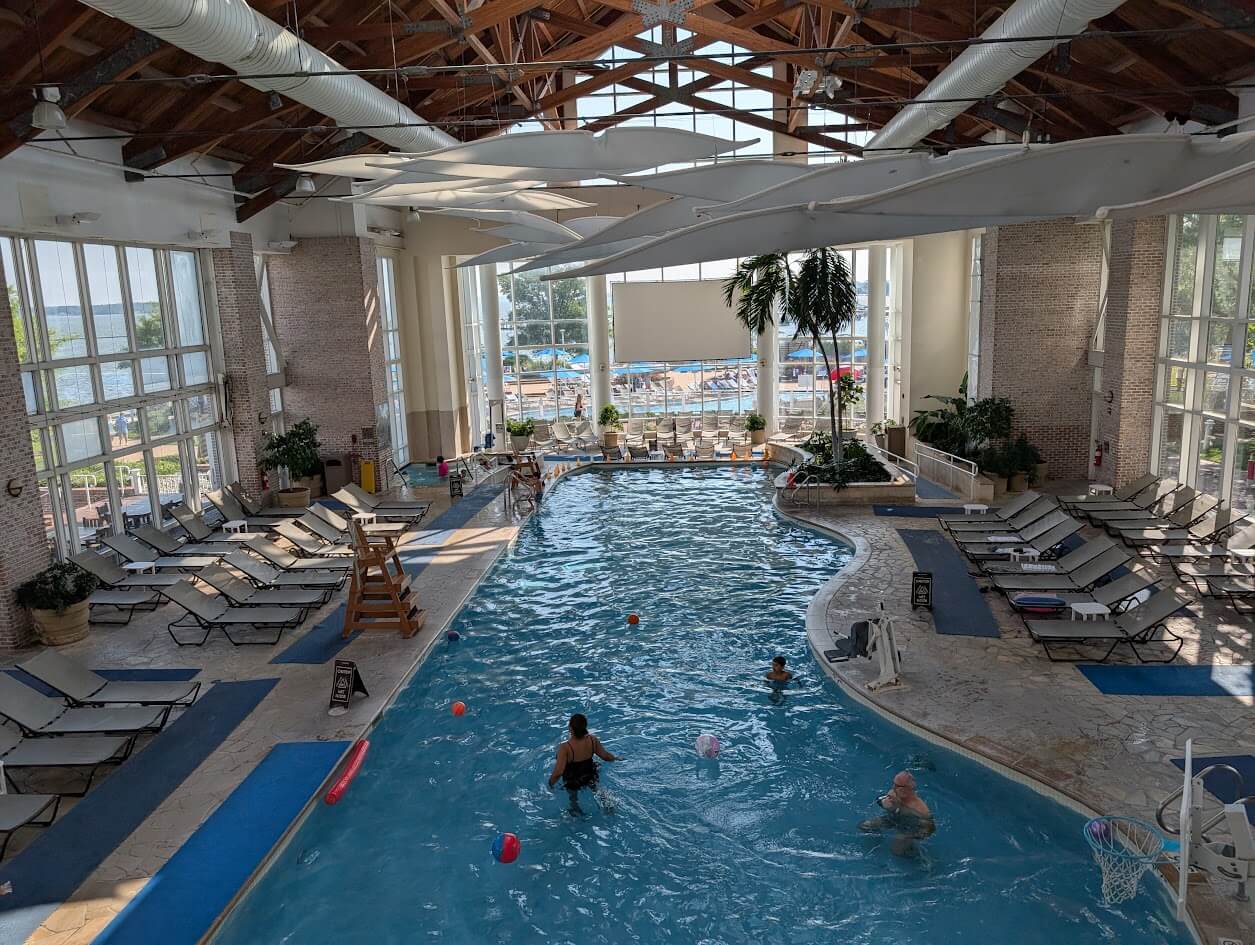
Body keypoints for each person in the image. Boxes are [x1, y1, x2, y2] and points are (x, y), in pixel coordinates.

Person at [548, 714, 618, 812]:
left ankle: (575, 809)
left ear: (570, 728)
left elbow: (559, 771)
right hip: (589, 772)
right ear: (585, 727)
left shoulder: (565, 747)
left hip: (573, 778)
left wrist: (550, 784)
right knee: (596, 788)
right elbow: (605, 756)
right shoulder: (592, 740)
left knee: (573, 797)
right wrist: (616, 758)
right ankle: (608, 805)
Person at [859, 771, 935, 856]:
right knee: (865, 826)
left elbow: (930, 828)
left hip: (908, 827)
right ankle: (877, 841)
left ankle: (918, 857)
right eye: (894, 784)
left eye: (897, 786)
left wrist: (915, 835)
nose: (893, 787)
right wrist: (884, 803)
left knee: (896, 851)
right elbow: (879, 799)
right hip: (893, 819)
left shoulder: (920, 809)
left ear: (909, 788)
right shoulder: (894, 793)